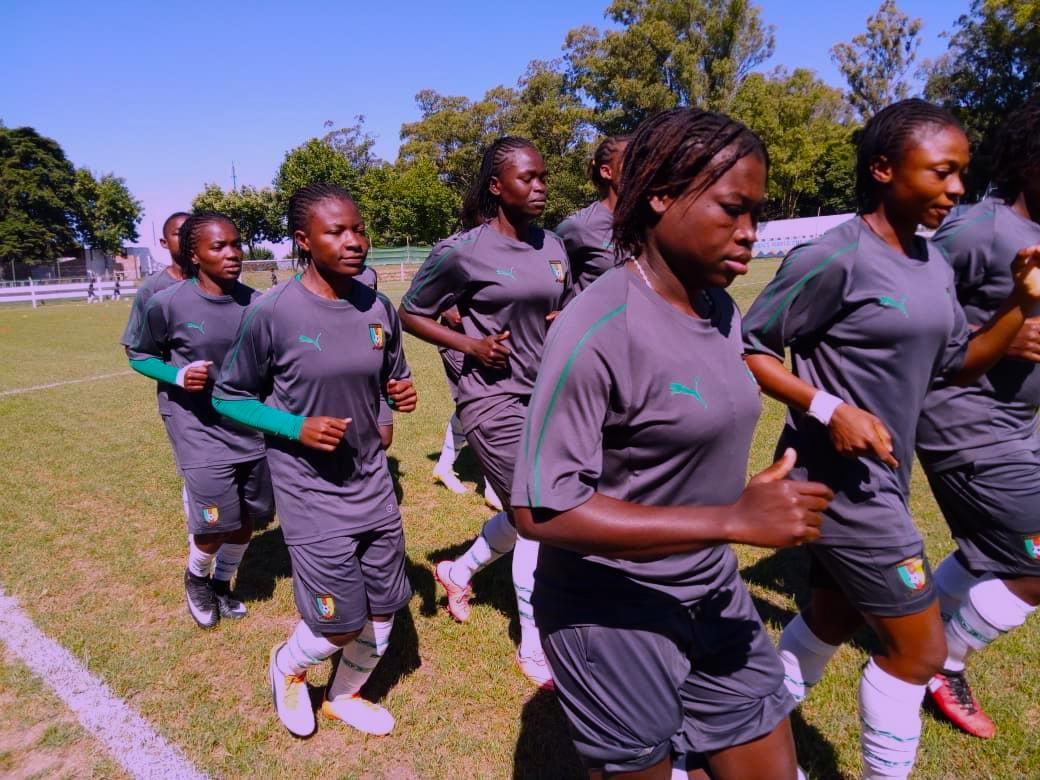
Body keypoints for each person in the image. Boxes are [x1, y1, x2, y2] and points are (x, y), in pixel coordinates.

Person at [512, 107, 830, 779]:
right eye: (732, 209)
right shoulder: (599, 324)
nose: (750, 233)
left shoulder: (721, 309)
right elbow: (539, 509)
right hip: (611, 615)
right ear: (660, 195)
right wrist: (730, 520)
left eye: (756, 214)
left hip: (712, 589)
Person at [742, 99, 1040, 779]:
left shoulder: (930, 262)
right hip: (836, 487)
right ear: (882, 169)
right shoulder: (835, 256)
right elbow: (750, 346)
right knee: (920, 653)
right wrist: (828, 407)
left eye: (962, 173)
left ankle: (735, 743)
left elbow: (958, 364)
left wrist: (1019, 304)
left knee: (831, 617)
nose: (957, 188)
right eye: (941, 172)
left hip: (885, 478)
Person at [212, 183, 417, 738]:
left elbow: (391, 374)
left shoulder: (378, 306)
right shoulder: (272, 312)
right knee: (337, 623)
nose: (355, 241)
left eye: (359, 229)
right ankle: (287, 666)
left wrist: (396, 398)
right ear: (304, 240)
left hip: (372, 483)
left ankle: (342, 696)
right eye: (337, 232)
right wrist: (295, 426)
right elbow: (228, 397)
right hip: (310, 490)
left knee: (384, 611)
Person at [399, 136, 568, 689]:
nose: (540, 187)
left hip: (547, 395)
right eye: (527, 178)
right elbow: (410, 313)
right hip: (491, 400)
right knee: (539, 517)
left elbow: (559, 308)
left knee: (531, 513)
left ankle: (458, 569)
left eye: (543, 176)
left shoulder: (554, 246)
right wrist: (470, 345)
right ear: (497, 186)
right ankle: (535, 647)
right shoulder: (462, 251)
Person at [915, 97, 1040, 738]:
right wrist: (991, 332)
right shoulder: (981, 229)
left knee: (993, 549)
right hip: (965, 423)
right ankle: (941, 664)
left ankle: (916, 628)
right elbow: (906, 297)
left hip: (1020, 425)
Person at [127, 212, 273, 629]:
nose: (232, 253)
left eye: (236, 244)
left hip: (249, 426)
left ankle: (222, 584)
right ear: (194, 255)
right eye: (218, 246)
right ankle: (196, 578)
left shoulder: (259, 304)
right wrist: (176, 375)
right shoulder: (166, 302)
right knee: (214, 522)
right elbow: (139, 354)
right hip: (196, 426)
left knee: (246, 517)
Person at [429, 303, 505, 511]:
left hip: (486, 343)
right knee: (487, 403)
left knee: (472, 406)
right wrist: (447, 310)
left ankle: (444, 466)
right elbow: (438, 308)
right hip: (459, 343)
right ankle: (494, 487)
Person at [555, 135, 630, 296]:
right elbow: (549, 260)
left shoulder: (648, 223)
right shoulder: (581, 226)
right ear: (607, 172)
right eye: (630, 162)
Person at [120, 212, 191, 353]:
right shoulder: (151, 289)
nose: (186, 239)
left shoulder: (215, 282)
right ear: (164, 243)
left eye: (191, 233)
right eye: (179, 234)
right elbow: (133, 347)